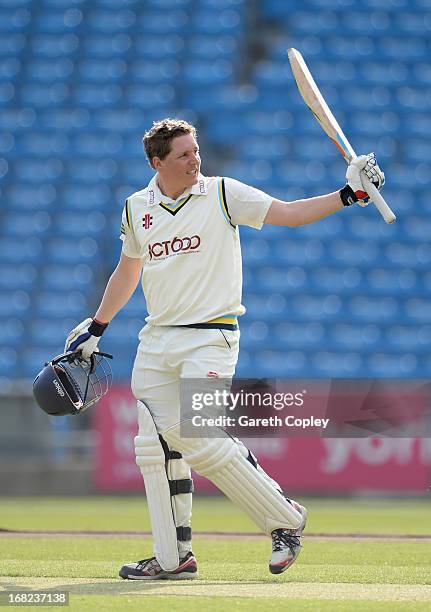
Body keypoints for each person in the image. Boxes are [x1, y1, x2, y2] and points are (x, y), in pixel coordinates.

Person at [64, 118, 385, 580]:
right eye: (183, 155)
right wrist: (97, 327)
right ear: (158, 162)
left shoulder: (221, 193)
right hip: (156, 339)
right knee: (152, 448)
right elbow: (127, 270)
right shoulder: (137, 208)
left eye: (196, 151)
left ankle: (286, 520)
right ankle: (173, 558)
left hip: (211, 335)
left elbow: (289, 213)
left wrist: (348, 194)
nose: (195, 160)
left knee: (202, 437)